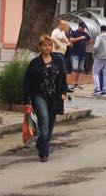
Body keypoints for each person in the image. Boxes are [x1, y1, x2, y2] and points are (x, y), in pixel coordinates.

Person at [23, 34, 68, 162]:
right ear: (40, 47)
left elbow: (63, 77)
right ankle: (44, 152)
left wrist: (64, 92)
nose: (47, 47)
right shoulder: (35, 63)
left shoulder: (58, 60)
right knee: (44, 120)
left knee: (50, 124)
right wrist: (27, 100)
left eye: (49, 45)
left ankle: (41, 143)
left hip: (54, 96)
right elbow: (27, 82)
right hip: (39, 95)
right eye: (45, 45)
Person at [92, 24, 106, 96]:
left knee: (95, 73)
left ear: (101, 30)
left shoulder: (99, 37)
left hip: (99, 57)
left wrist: (94, 53)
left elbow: (95, 47)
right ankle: (105, 90)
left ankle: (97, 89)